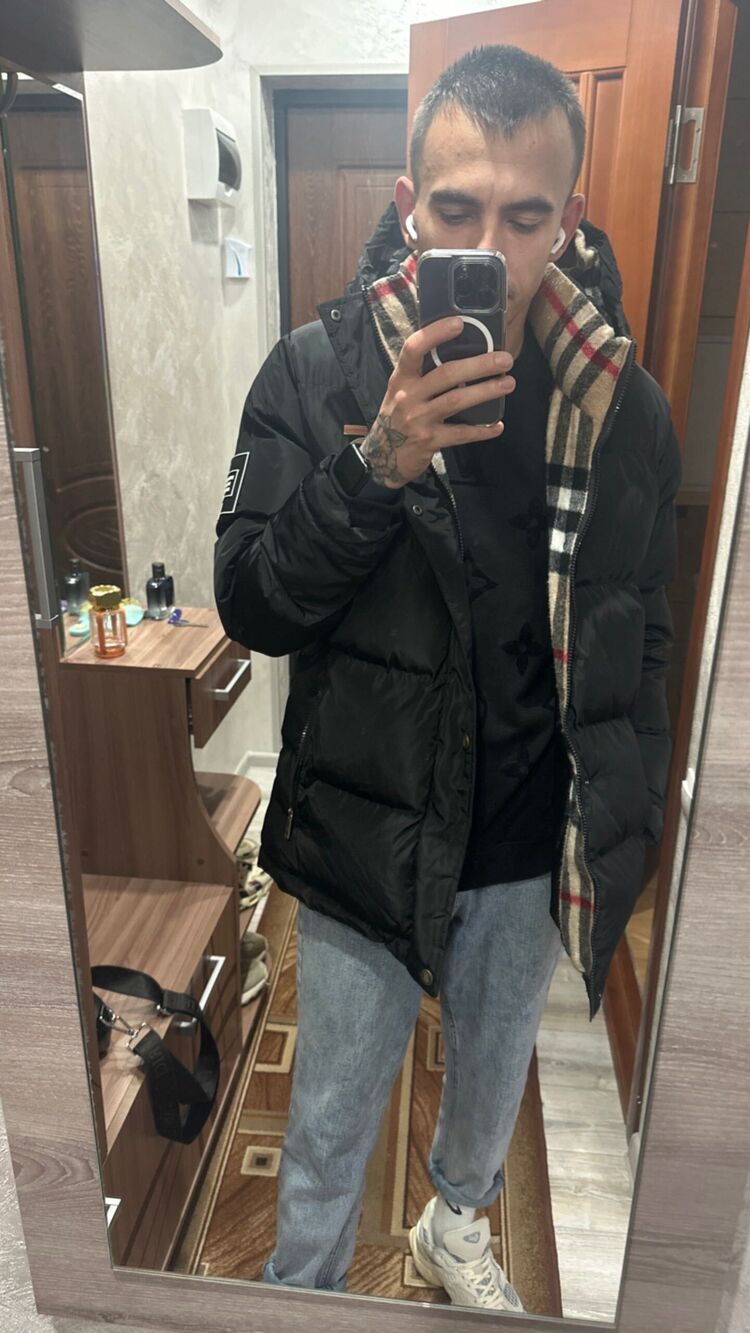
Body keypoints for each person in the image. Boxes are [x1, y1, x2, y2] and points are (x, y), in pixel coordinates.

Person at [214, 44, 681, 1311]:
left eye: (525, 217)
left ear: (568, 219)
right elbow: (252, 603)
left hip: (529, 835)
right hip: (367, 826)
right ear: (407, 204)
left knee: (488, 1087)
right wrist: (374, 464)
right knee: (329, 1115)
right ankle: (304, 1284)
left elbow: (643, 629)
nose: (490, 246)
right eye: (458, 208)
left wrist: (631, 807)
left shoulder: (620, 409)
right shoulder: (316, 373)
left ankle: (451, 1226)